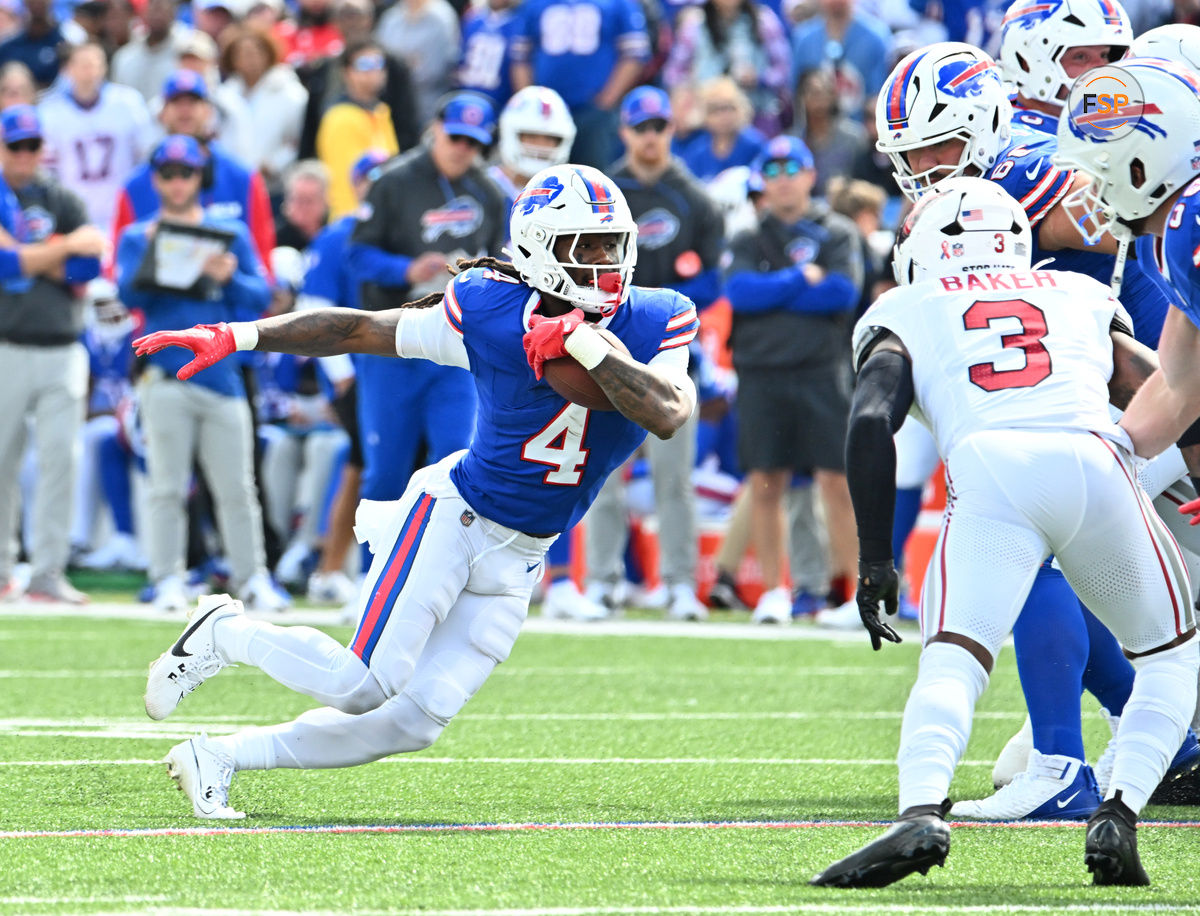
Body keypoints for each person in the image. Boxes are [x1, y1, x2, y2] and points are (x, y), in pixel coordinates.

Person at [134, 163, 699, 819]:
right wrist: (240, 334)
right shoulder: (489, 311)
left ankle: (219, 756)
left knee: (417, 721)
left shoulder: (660, 315)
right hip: (456, 520)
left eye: (612, 243)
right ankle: (224, 632)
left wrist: (582, 341)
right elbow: (360, 329)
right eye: (584, 246)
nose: (604, 262)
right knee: (360, 683)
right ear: (539, 250)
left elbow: (668, 412)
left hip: (523, 556)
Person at [810, 177, 1198, 889]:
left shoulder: (905, 305)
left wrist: (874, 560)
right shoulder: (1079, 295)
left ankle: (920, 811)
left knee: (955, 658)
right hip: (1098, 462)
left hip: (994, 470)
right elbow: (1160, 386)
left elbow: (870, 421)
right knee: (1172, 656)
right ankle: (1121, 808)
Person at [875, 40, 1200, 820]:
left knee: (1035, 545)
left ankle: (1065, 756)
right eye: (910, 155)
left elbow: (1099, 218)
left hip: (1108, 393)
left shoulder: (1025, 168)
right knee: (1053, 534)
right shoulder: (1163, 223)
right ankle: (1147, 736)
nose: (925, 170)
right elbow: (1180, 375)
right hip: (1117, 409)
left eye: (939, 146)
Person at [114, 135, 281, 613]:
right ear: (156, 179)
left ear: (198, 178)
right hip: (166, 374)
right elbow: (130, 296)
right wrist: (154, 255)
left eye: (185, 173)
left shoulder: (230, 233)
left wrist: (229, 275)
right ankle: (166, 576)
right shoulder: (139, 235)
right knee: (166, 485)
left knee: (237, 488)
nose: (177, 181)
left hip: (223, 375)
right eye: (167, 173)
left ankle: (253, 578)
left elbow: (259, 298)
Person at [584, 86, 722, 621]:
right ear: (624, 131)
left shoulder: (695, 197)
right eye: (640, 127)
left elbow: (714, 277)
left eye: (658, 127)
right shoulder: (605, 194)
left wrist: (666, 304)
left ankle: (681, 583)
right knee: (602, 472)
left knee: (673, 475)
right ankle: (601, 580)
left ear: (671, 130)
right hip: (609, 341)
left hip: (669, 345)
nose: (649, 137)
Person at [724, 133, 863, 625]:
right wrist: (800, 280)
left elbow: (841, 294)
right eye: (773, 171)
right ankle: (773, 591)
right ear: (763, 179)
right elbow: (740, 294)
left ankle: (853, 594)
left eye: (792, 169)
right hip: (761, 371)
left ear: (810, 175)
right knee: (765, 482)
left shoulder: (836, 231)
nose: (783, 181)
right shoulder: (747, 234)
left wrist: (776, 294)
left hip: (822, 370)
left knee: (836, 481)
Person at [346, 92, 505, 512]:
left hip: (454, 341)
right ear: (435, 129)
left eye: (473, 142)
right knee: (386, 470)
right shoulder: (393, 181)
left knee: (457, 462)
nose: (462, 150)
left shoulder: (488, 191)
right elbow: (358, 254)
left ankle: (447, 573)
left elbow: (502, 259)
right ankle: (376, 576)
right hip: (392, 339)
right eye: (455, 137)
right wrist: (406, 269)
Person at [0, 104, 106, 604]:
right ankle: (2, 569)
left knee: (62, 459)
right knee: (1, 462)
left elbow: (91, 260)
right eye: (15, 146)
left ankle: (47, 572)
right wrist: (60, 252)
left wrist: (33, 255)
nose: (24, 156)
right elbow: (4, 266)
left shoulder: (59, 197)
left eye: (31, 146)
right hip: (7, 344)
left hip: (63, 345)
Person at [113, 70, 276, 271]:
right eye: (176, 103)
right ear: (162, 113)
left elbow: (263, 261)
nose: (185, 111)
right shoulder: (134, 186)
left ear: (208, 110)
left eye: (193, 102)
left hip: (227, 296)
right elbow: (119, 265)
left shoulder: (243, 178)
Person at [509, 0, 649, 169]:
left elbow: (634, 54)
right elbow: (519, 56)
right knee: (535, 176)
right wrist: (530, 101)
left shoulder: (618, 3)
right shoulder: (535, 4)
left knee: (592, 181)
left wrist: (607, 99)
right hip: (545, 114)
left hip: (592, 111)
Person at [38, 41, 154, 231]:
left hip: (121, 209)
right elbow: (48, 172)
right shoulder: (49, 112)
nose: (89, 71)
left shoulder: (128, 104)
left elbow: (145, 158)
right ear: (67, 69)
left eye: (94, 64)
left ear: (105, 67)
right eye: (82, 64)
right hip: (73, 212)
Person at [998, 0, 1131, 136]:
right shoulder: (1006, 134)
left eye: (1104, 55)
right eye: (1081, 57)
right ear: (1026, 64)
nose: (1103, 70)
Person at [315, 40, 402, 220]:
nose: (373, 72)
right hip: (356, 221)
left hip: (381, 215)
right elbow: (345, 181)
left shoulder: (380, 111)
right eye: (364, 65)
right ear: (347, 72)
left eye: (379, 64)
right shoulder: (340, 117)